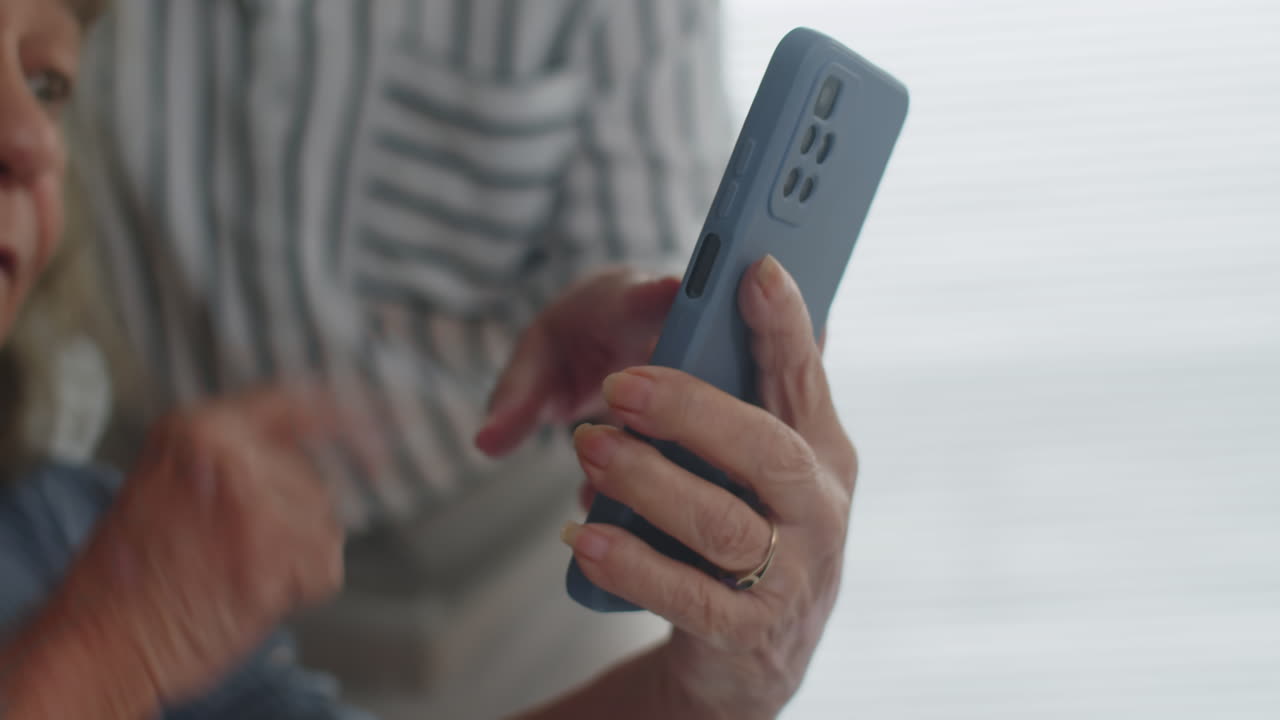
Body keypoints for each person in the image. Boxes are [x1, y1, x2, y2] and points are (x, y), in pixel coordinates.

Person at [0, 2, 859, 718]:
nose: (34, 140)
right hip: (173, 540)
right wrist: (110, 650)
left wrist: (698, 700)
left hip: (495, 564)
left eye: (46, 86)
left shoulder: (54, 532)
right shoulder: (89, 570)